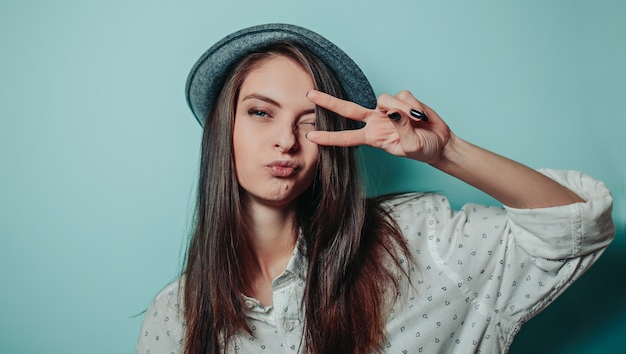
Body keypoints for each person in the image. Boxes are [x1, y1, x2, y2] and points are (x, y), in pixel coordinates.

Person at [137, 24, 614, 354]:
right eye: (261, 112)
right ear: (224, 128)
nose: (286, 139)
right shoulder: (174, 317)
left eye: (312, 123)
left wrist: (445, 152)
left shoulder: (420, 242)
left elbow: (576, 225)